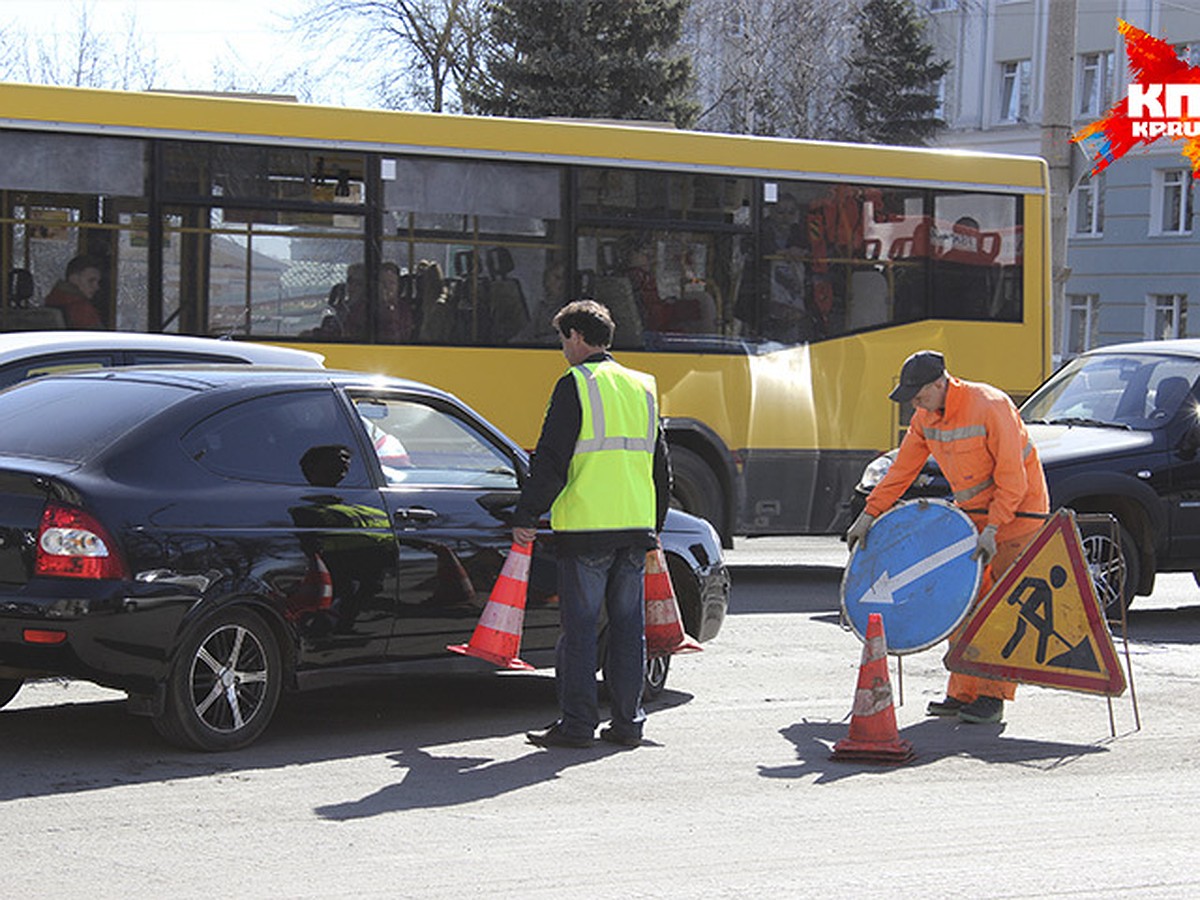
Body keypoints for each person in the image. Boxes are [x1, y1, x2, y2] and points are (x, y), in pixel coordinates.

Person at [845, 350, 1050, 725]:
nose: (915, 404)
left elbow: (1012, 477)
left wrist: (994, 527)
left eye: (919, 395)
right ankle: (962, 692)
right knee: (964, 601)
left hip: (1018, 516)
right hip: (975, 518)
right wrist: (869, 513)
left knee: (997, 609)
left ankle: (992, 697)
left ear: (940, 384)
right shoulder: (926, 418)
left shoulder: (990, 405)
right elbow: (902, 469)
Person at [513, 299, 671, 749]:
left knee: (580, 632)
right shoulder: (642, 387)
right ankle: (628, 724)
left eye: (564, 339)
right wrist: (653, 525)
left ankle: (577, 725)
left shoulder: (575, 384)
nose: (563, 349)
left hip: (586, 530)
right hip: (635, 530)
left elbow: (551, 460)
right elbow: (662, 466)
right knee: (627, 631)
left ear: (578, 337)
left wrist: (527, 514)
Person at [44, 254, 104, 328]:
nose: (97, 287)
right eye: (91, 281)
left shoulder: (51, 301)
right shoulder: (82, 309)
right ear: (74, 279)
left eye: (98, 282)